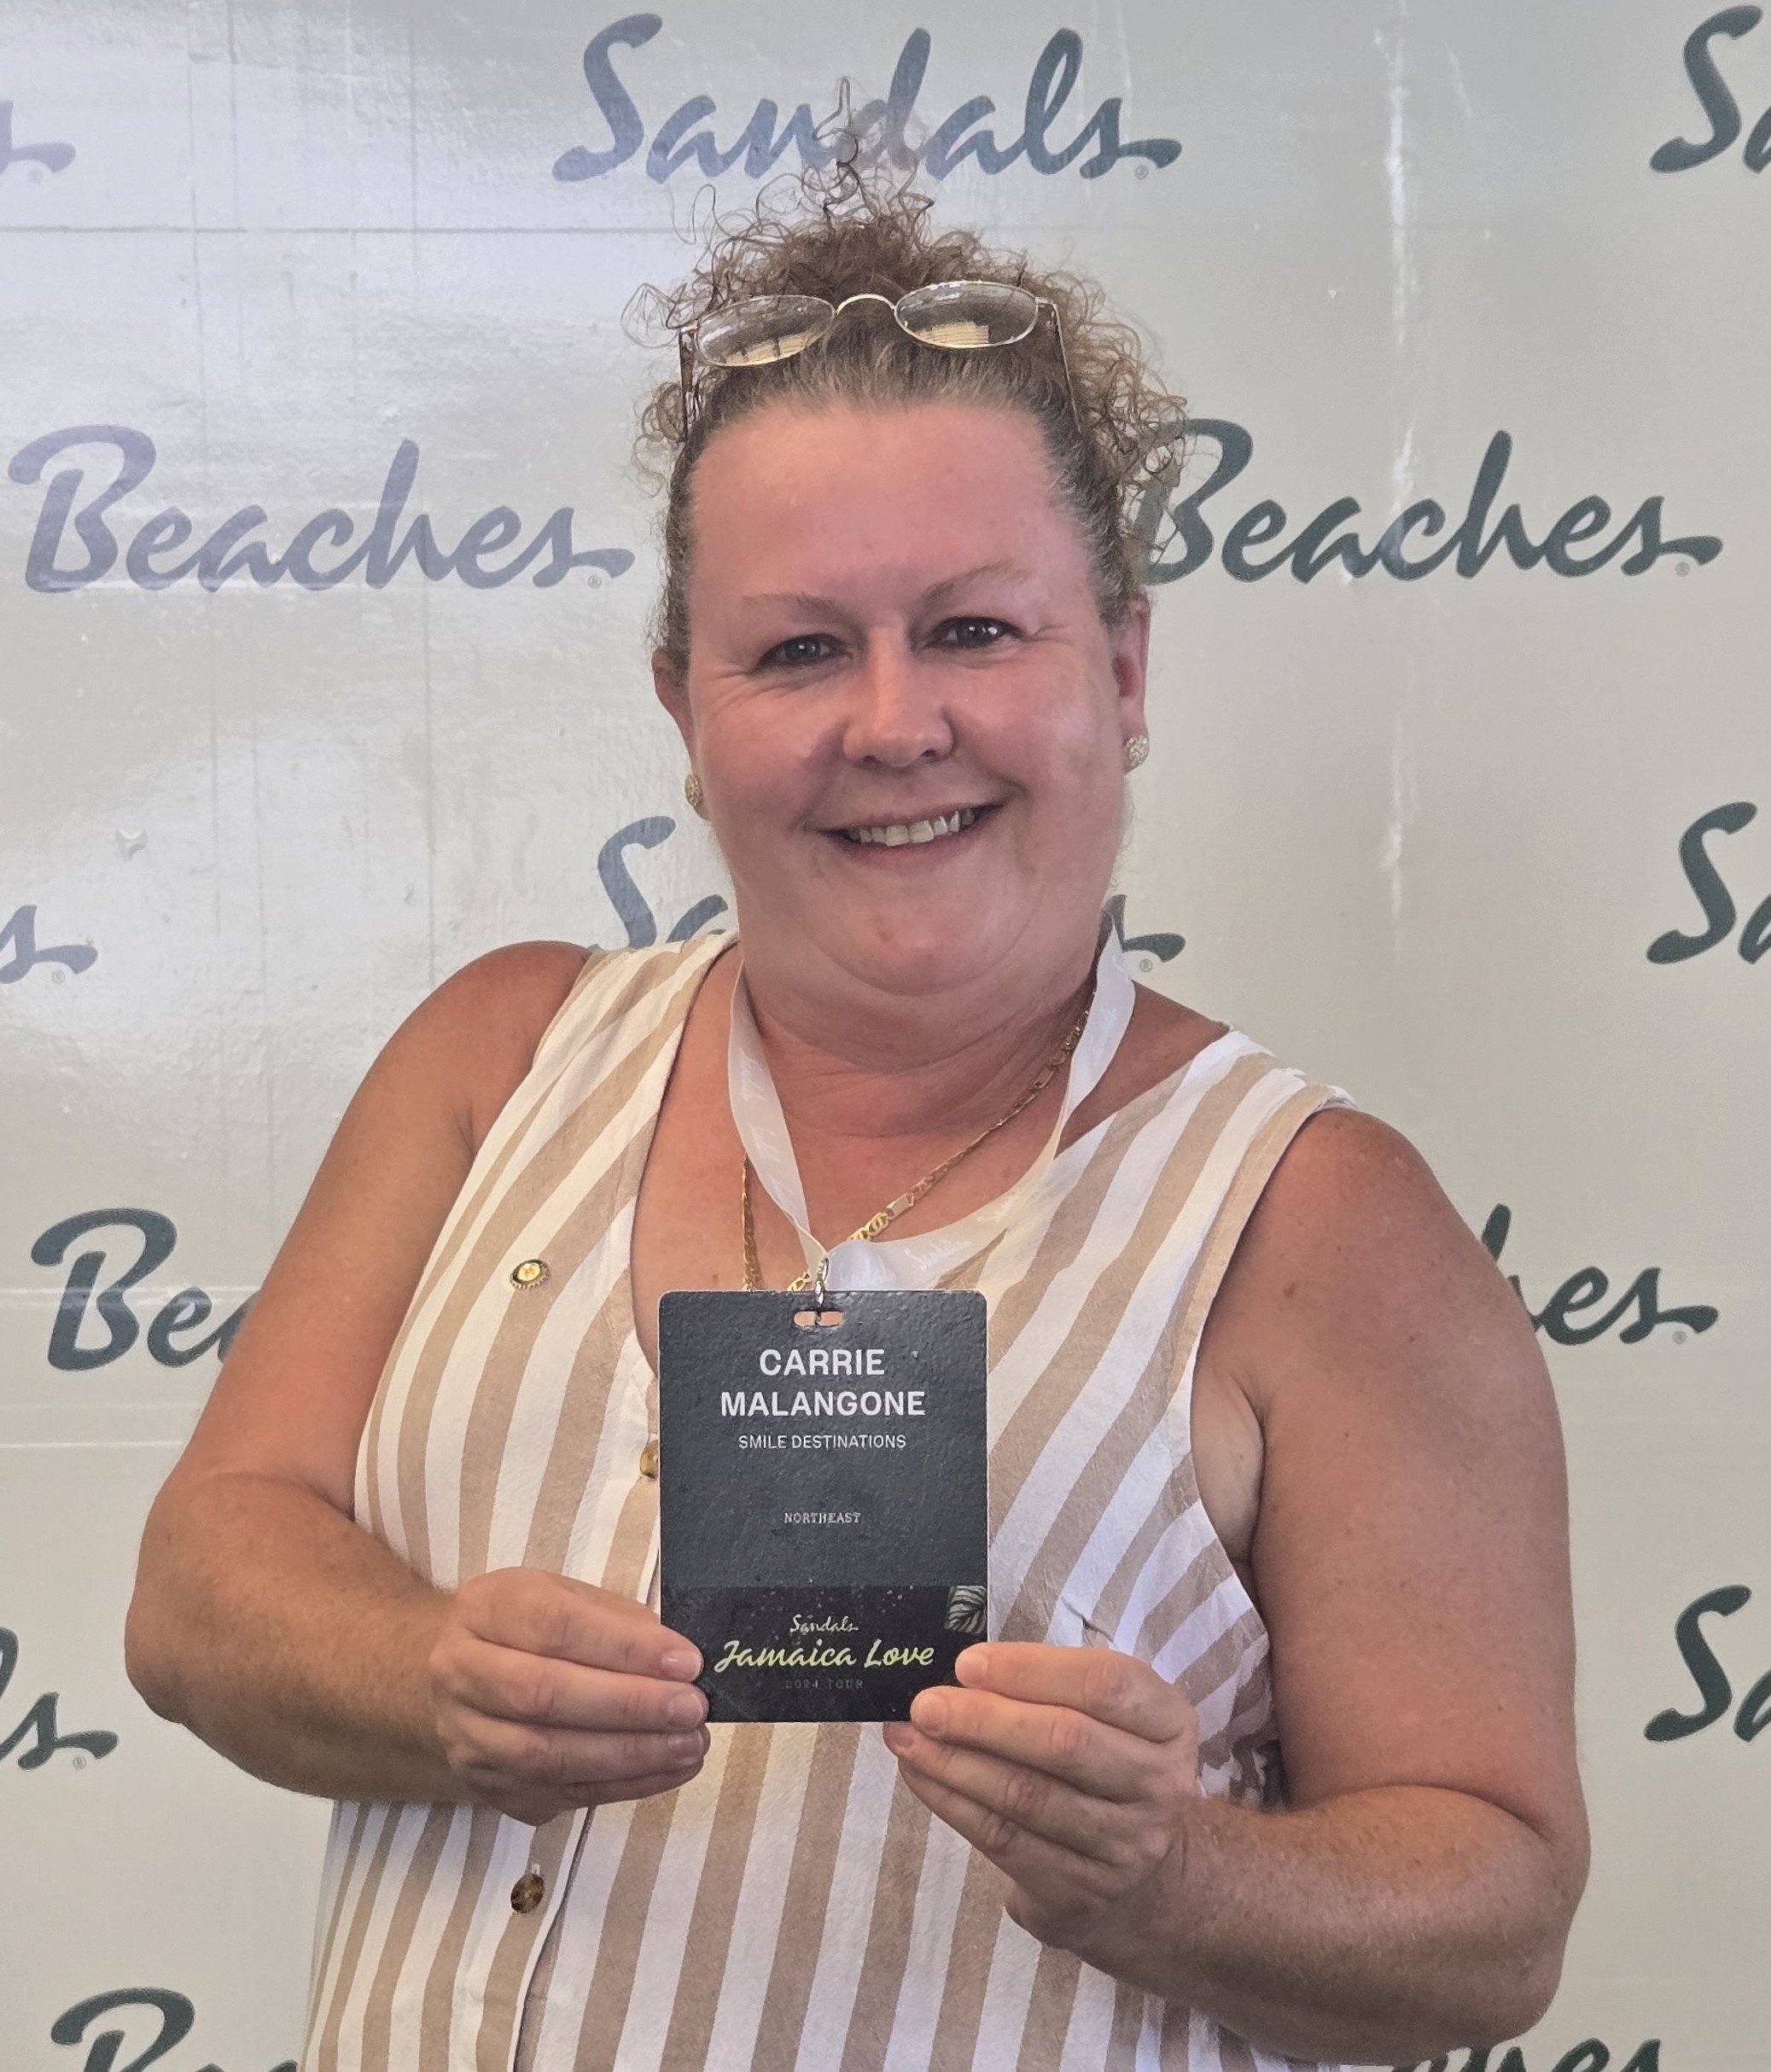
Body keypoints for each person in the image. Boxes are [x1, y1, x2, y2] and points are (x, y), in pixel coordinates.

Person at [125, 171, 1587, 2072]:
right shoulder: (498, 1052)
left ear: (1122, 670)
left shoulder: (1315, 1219)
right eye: (800, 647)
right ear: (684, 701)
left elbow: (1495, 1917)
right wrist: (426, 1677)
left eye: (976, 629)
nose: (894, 723)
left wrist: (1169, 1867)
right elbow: (199, 1583)